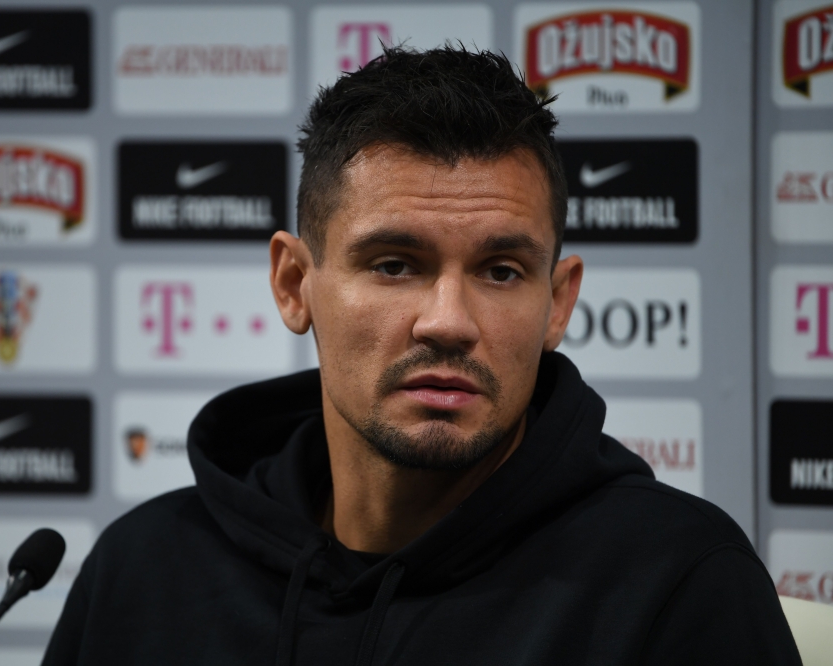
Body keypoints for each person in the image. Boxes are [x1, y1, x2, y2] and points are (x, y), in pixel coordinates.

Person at [42, 46, 800, 665]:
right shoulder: (143, 573)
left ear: (557, 303)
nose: (448, 322)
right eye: (395, 264)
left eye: (501, 271)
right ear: (295, 283)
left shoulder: (681, 582)